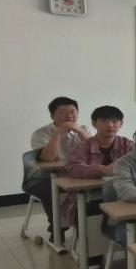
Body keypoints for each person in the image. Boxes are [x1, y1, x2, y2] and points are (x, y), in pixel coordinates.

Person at [27, 96, 91, 236]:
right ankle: (57, 229)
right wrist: (58, 133)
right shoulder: (41, 133)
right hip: (46, 176)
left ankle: (86, 227)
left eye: (73, 112)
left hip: (76, 173)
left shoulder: (83, 129)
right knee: (52, 189)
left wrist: (80, 132)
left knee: (98, 186)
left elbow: (94, 152)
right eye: (62, 112)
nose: (69, 115)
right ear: (52, 116)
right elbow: (49, 158)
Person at [63, 105, 134, 229]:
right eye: (104, 121)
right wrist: (103, 170)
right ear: (94, 123)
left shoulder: (127, 144)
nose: (110, 125)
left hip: (122, 193)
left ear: (121, 124)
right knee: (90, 212)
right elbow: (73, 168)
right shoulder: (84, 145)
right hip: (90, 195)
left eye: (115, 121)